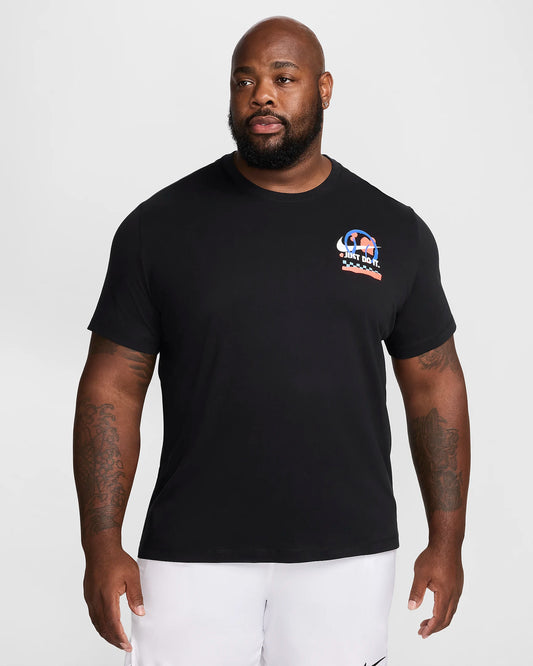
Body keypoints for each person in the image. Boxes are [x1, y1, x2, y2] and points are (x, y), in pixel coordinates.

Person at [73, 15, 470, 666]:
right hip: (188, 555)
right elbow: (112, 386)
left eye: (283, 79)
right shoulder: (158, 228)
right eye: (245, 81)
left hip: (348, 554)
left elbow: (434, 382)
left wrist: (447, 542)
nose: (261, 94)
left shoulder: (393, 231)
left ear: (323, 89)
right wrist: (100, 543)